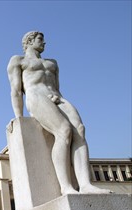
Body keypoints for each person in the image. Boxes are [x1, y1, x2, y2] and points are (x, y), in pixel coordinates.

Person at [7, 31, 112, 195]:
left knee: (80, 130)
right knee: (63, 130)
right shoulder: (18, 60)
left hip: (56, 97)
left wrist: (58, 98)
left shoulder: (52, 63)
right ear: (29, 41)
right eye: (40, 40)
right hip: (36, 96)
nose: (44, 43)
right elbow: (15, 90)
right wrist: (19, 117)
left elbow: (56, 87)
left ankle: (85, 185)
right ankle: (66, 187)